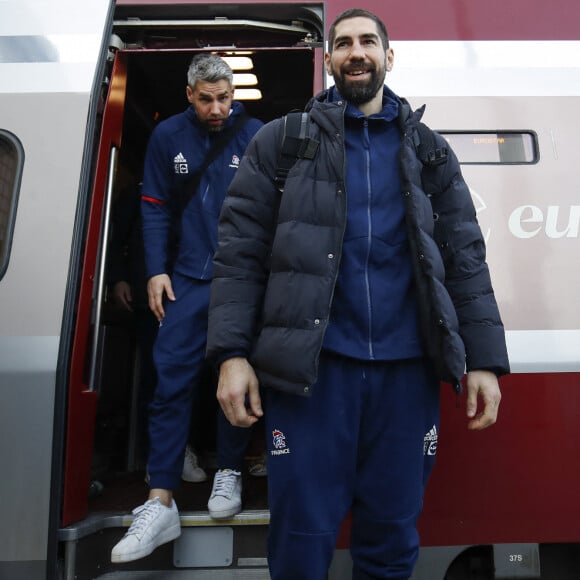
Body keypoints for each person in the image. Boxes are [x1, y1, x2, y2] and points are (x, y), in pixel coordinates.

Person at [206, 9, 510, 580]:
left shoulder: (429, 151)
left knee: (392, 538)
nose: (356, 52)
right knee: (300, 537)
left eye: (368, 41)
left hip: (406, 376)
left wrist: (485, 361)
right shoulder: (283, 142)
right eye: (342, 43)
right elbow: (239, 253)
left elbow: (465, 259)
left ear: (388, 57)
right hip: (312, 380)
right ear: (329, 59)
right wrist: (232, 353)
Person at [111, 53, 264, 564]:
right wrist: (155, 270)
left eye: (225, 98)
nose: (218, 108)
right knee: (170, 379)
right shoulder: (167, 137)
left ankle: (231, 472)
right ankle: (161, 499)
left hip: (240, 281)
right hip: (186, 279)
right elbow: (153, 207)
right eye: (207, 99)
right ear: (189, 95)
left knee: (234, 379)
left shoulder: (257, 134)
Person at [107, 181, 207, 481]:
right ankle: (157, 455)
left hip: (194, 287)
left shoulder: (208, 181)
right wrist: (117, 277)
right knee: (156, 375)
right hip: (150, 293)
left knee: (198, 374)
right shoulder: (139, 190)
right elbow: (115, 236)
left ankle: (185, 448)